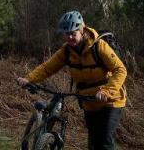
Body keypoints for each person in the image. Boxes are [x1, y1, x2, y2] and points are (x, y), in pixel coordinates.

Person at [17, 10, 127, 150]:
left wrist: (107, 91)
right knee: (94, 141)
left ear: (82, 30)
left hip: (111, 100)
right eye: (66, 34)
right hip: (88, 100)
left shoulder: (99, 47)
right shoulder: (67, 51)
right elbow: (47, 68)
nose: (69, 37)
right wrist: (28, 79)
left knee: (104, 139)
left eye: (73, 33)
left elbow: (120, 69)